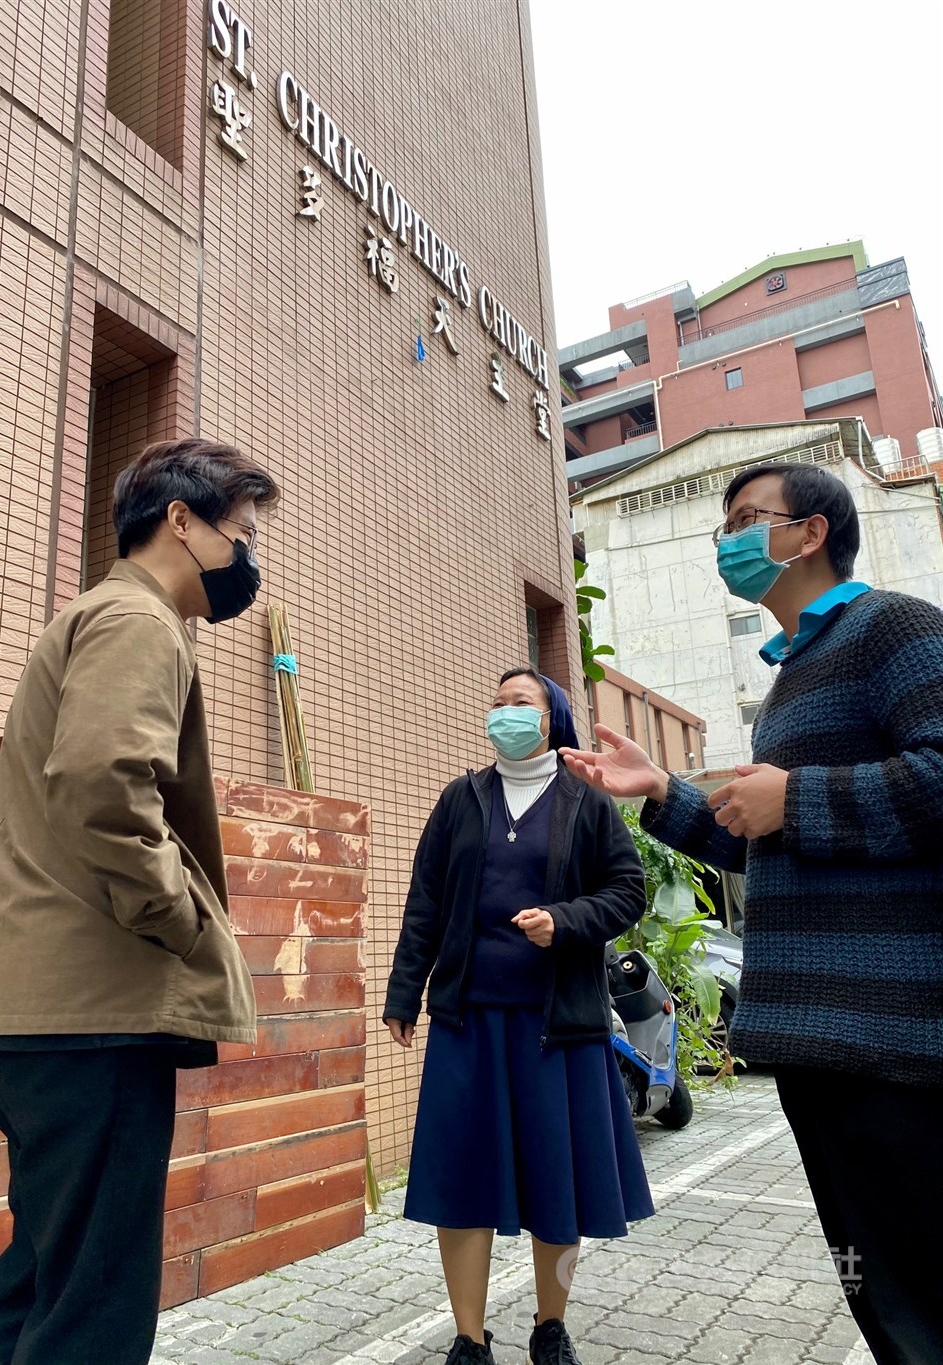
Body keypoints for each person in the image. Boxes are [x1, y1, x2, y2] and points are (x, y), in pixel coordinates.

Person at [560, 462, 943, 1365]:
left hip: (893, 1039)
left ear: (811, 532)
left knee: (923, 1286)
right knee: (879, 1289)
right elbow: (770, 843)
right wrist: (662, 791)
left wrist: (796, 797)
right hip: (822, 1043)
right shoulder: (791, 680)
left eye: (744, 519)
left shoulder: (894, 629)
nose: (726, 541)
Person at [0, 439, 279, 1365]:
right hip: (94, 1019)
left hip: (49, 1016)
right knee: (93, 1303)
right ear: (180, 520)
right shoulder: (137, 620)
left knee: (43, 1278)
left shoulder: (98, 617)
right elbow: (105, 782)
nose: (245, 557)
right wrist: (176, 917)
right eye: (241, 533)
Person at [384, 667, 652, 1365]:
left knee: (556, 1184)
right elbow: (426, 901)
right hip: (469, 1019)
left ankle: (551, 1324)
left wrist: (565, 921)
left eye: (520, 702)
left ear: (550, 717)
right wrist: (403, 991)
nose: (503, 711)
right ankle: (470, 1339)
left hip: (555, 1024)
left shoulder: (586, 801)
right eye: (496, 702)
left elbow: (628, 890)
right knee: (461, 1180)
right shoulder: (460, 799)